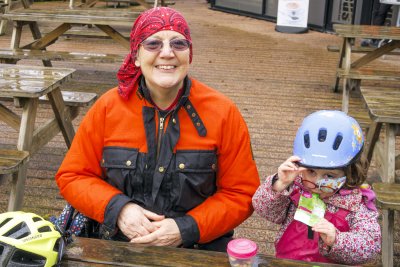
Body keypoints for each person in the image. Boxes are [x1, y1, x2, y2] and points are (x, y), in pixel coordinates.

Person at [55, 6, 260, 252]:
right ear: (136, 56)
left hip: (197, 249)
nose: (167, 53)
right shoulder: (108, 108)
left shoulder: (223, 112)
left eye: (178, 44)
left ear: (189, 55)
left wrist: (186, 228)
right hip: (115, 245)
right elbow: (73, 176)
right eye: (153, 44)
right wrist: (119, 209)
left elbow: (242, 193)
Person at [252, 110, 381, 265]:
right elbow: (264, 210)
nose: (316, 183)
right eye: (311, 171)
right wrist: (279, 185)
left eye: (330, 176)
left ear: (350, 170)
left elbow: (370, 246)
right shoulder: (295, 188)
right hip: (288, 262)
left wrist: (337, 239)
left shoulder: (357, 203)